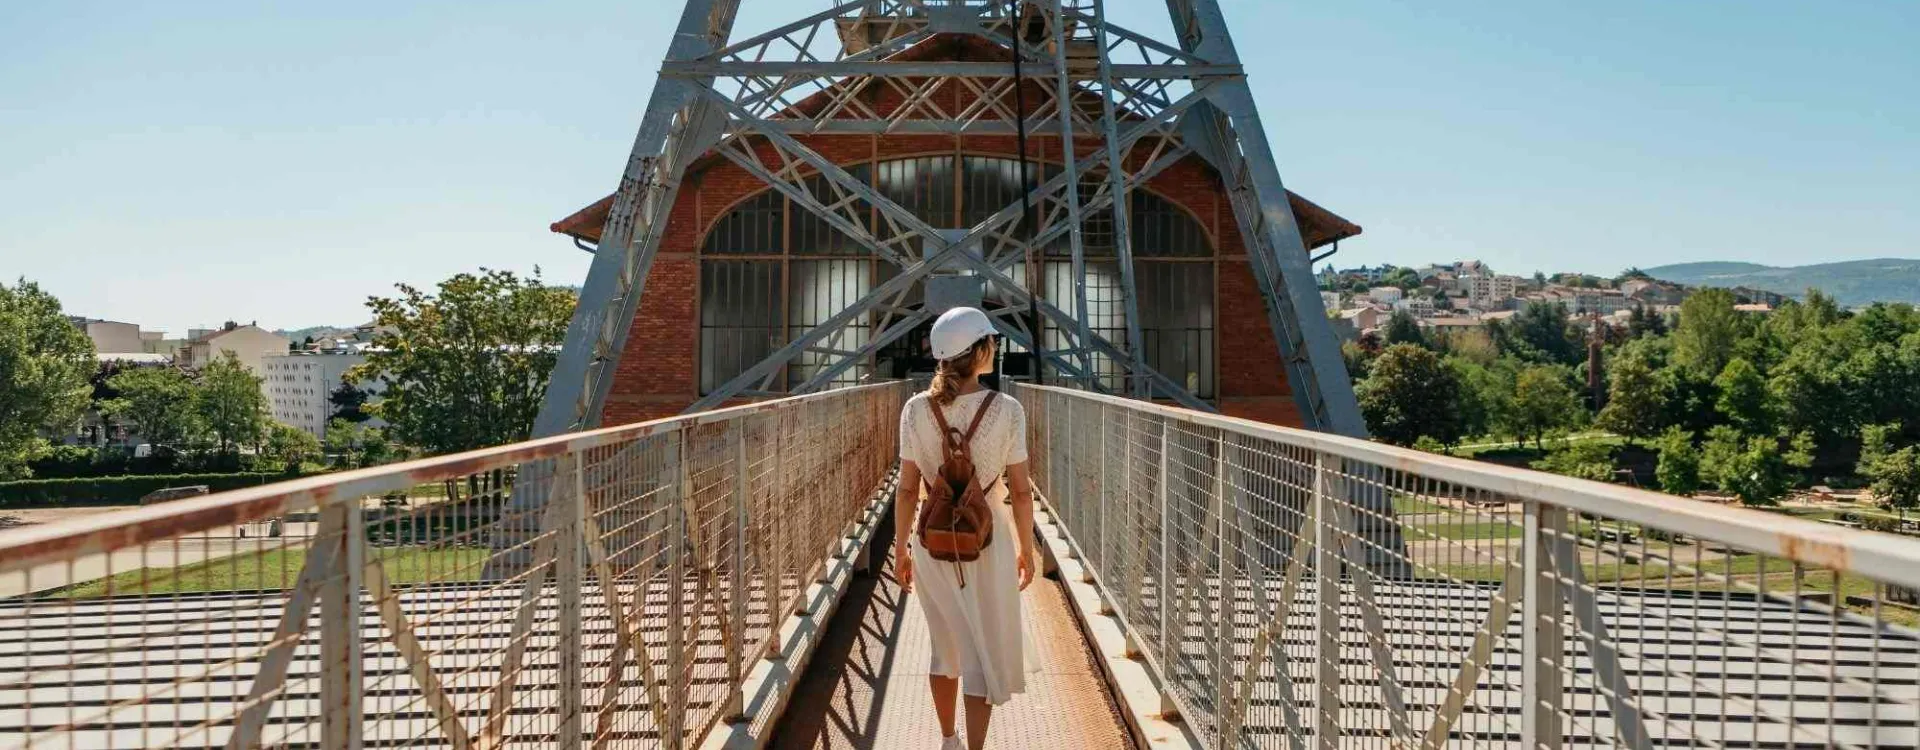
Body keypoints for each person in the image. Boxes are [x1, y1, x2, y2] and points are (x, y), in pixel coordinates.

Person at [895, 306, 1037, 750]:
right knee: (982, 655)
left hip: (931, 542)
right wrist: (1027, 550)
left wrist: (901, 548)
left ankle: (948, 740)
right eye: (990, 342)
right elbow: (1022, 491)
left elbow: (906, 489)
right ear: (978, 351)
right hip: (987, 540)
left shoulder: (915, 410)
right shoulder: (1008, 410)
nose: (994, 347)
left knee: (945, 648)